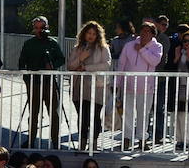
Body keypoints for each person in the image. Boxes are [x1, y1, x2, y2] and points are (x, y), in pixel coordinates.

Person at [17, 17, 65, 149]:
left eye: (42, 28)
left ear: (47, 27)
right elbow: (21, 62)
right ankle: (31, 140)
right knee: (33, 113)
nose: (39, 31)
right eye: (37, 28)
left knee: (54, 113)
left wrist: (52, 65)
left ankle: (55, 141)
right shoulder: (29, 44)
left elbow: (61, 59)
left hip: (49, 82)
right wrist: (26, 77)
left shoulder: (52, 43)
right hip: (34, 83)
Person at [118, 22, 163, 151]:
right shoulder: (129, 45)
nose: (144, 33)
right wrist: (117, 83)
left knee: (144, 114)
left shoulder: (157, 46)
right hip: (129, 86)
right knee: (127, 114)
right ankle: (127, 138)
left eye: (148, 31)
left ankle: (143, 140)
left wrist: (142, 49)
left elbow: (155, 61)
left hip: (146, 88)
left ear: (153, 34)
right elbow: (121, 64)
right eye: (143, 30)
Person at [67, 21, 111, 149]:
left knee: (95, 116)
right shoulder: (77, 48)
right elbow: (70, 66)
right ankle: (82, 142)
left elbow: (106, 64)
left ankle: (94, 143)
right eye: (88, 33)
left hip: (97, 87)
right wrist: (80, 58)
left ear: (98, 35)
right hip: (79, 87)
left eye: (93, 33)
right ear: (84, 34)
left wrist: (87, 67)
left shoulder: (103, 48)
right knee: (82, 116)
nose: (91, 36)